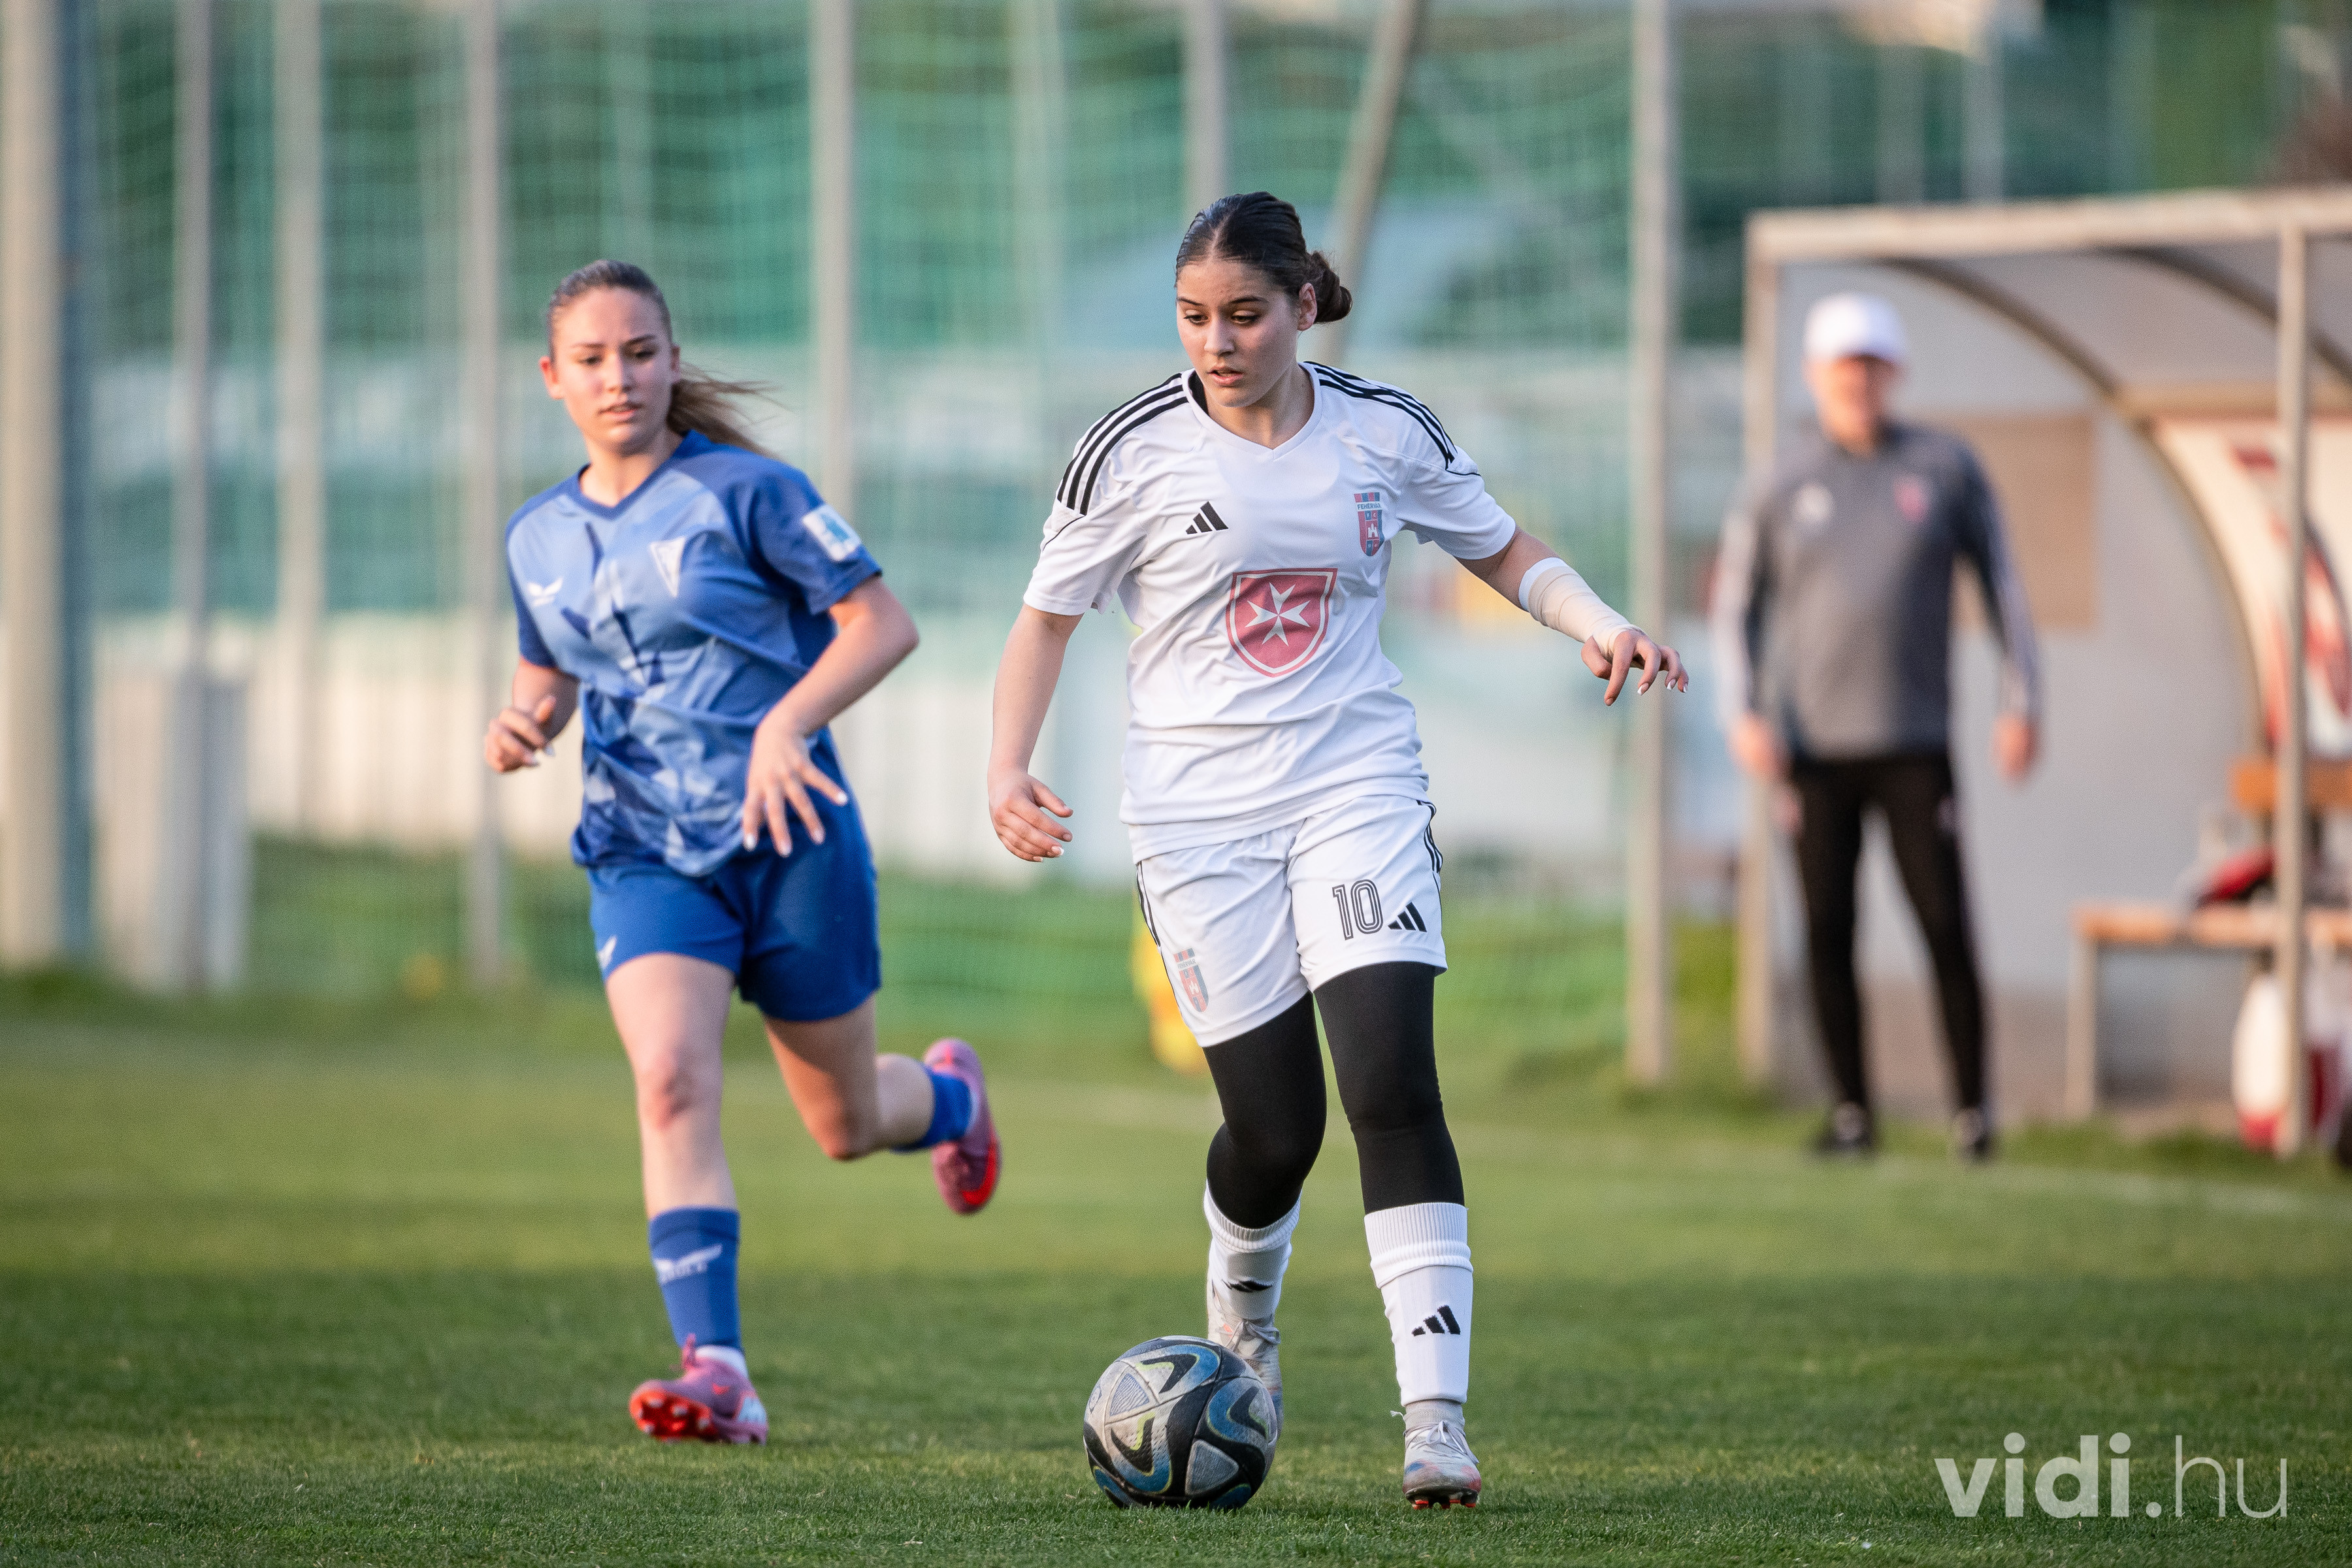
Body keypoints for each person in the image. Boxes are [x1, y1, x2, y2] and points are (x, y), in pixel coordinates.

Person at [987, 193, 1684, 1509]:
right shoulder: (1128, 452)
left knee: (1392, 1085)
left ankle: (1436, 1423)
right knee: (1275, 1132)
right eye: (1195, 318)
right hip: (1196, 824)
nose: (1218, 343)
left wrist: (1597, 622)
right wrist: (1006, 767)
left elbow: (1501, 548)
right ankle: (1242, 1323)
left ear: (1305, 304)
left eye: (1245, 315)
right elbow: (1045, 620)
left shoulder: (1383, 431)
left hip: (1355, 788)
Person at [485, 260, 1001, 1446]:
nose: (619, 378)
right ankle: (717, 1369)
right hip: (645, 852)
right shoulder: (537, 537)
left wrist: (787, 724)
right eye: (592, 359)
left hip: (792, 840)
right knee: (671, 1079)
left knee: (845, 1125)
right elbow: (548, 674)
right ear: (552, 377)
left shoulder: (751, 492)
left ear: (673, 361)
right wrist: (525, 723)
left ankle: (954, 1101)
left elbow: (883, 626)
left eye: (640, 353)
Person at [1710, 291, 2041, 1162]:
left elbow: (2004, 586)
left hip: (1916, 745)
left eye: (1871, 364)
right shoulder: (1779, 485)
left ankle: (1973, 1114)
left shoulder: (1944, 469)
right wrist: (1742, 712)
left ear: (1894, 373)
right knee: (1827, 930)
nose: (1857, 381)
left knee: (1945, 924)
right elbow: (1736, 608)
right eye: (1842, 366)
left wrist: (2021, 702)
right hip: (1813, 753)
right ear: (1815, 376)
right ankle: (1853, 1114)